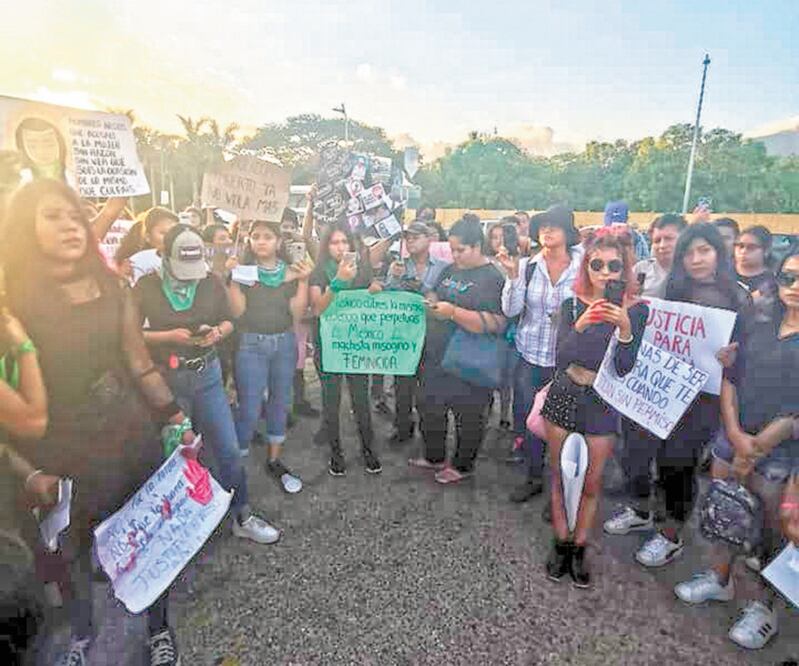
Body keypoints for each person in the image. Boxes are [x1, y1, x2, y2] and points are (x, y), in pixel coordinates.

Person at [1, 179, 198, 666]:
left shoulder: (113, 287)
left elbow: (140, 365)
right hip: (59, 451)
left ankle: (158, 632)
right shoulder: (11, 303)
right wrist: (27, 470)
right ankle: (82, 637)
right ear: (24, 227)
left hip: (128, 435)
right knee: (70, 553)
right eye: (53, 216)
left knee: (148, 539)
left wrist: (176, 418)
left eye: (74, 215)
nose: (70, 225)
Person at [673, 249, 799, 650]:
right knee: (724, 510)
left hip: (781, 454)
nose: (794, 288)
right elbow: (730, 374)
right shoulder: (758, 323)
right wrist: (734, 431)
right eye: (788, 278)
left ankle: (765, 609)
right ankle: (719, 578)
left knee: (770, 532)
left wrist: (759, 444)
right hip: (733, 437)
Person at [135, 224, 280, 545]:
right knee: (175, 454)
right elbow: (130, 336)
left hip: (208, 375)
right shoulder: (145, 286)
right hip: (168, 382)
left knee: (228, 449)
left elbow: (229, 319)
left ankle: (242, 514)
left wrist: (218, 333)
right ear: (165, 257)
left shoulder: (210, 281)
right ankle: (176, 528)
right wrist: (167, 337)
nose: (190, 276)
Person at [635, 223, 750, 568]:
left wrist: (735, 356)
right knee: (660, 457)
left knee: (680, 462)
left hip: (707, 401)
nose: (697, 259)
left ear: (719, 252)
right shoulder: (673, 291)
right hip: (668, 391)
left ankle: (671, 534)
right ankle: (657, 517)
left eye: (705, 251)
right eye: (689, 253)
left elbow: (751, 357)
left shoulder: (739, 298)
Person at [541, 228, 648, 587]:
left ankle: (580, 546)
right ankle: (561, 542)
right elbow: (559, 358)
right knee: (559, 473)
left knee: (591, 481)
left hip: (603, 401)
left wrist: (626, 331)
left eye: (613, 266)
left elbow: (625, 368)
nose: (605, 272)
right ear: (586, 267)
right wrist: (582, 326)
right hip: (565, 390)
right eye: (596, 264)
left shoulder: (638, 310)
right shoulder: (572, 305)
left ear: (624, 271)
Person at [604, 214, 688, 535]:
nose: (664, 245)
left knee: (674, 459)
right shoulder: (641, 272)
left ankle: (670, 529)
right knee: (634, 446)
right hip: (639, 372)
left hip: (676, 382)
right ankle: (639, 507)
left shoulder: (693, 279)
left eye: (670, 238)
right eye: (658, 239)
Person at [409, 217, 506, 484]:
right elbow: (435, 293)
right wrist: (431, 301)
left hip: (470, 358)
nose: (455, 255)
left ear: (477, 246)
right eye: (452, 250)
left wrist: (453, 313)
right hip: (436, 354)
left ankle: (463, 465)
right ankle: (434, 456)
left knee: (469, 414)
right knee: (429, 405)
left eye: (461, 250)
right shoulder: (451, 270)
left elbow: (497, 322)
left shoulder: (492, 277)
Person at [498, 205, 582, 502]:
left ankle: (562, 490)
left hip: (570, 363)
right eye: (543, 226)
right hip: (531, 356)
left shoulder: (585, 265)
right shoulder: (528, 266)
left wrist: (572, 317)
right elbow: (511, 310)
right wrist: (511, 277)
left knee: (569, 427)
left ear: (567, 233)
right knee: (532, 423)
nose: (547, 230)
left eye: (555, 226)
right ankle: (534, 477)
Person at [227, 220, 313, 493]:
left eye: (267, 236)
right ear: (249, 241)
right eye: (256, 236)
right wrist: (233, 280)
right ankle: (235, 466)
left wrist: (304, 281)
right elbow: (237, 312)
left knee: (280, 402)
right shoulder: (243, 272)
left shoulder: (290, 272)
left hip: (284, 343)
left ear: (278, 241)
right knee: (249, 408)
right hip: (251, 344)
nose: (261, 241)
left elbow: (297, 315)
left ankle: (274, 460)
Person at [309, 226, 381, 476]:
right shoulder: (318, 272)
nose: (340, 247)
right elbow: (318, 309)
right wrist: (338, 282)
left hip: (355, 346)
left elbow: (371, 300)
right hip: (328, 347)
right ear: (326, 246)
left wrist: (375, 291)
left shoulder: (362, 269)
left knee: (361, 400)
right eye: (334, 242)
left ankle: (368, 449)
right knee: (331, 402)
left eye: (344, 242)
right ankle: (336, 452)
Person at [383, 221, 449, 445]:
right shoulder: (398, 265)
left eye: (415, 237)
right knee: (402, 386)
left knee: (429, 387)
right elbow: (389, 299)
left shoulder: (443, 267)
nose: (410, 241)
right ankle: (402, 427)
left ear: (429, 238)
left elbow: (445, 298)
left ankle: (429, 430)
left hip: (432, 335)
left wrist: (428, 292)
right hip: (404, 335)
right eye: (407, 238)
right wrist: (392, 278)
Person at [633, 214, 687, 298]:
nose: (662, 245)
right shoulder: (641, 269)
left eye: (669, 239)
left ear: (684, 240)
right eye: (657, 241)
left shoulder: (694, 272)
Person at [120, 207, 179, 285]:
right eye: (163, 233)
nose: (170, 237)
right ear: (147, 237)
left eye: (174, 232)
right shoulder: (136, 262)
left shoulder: (190, 256)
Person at [735, 225, 778, 318]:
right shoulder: (722, 273)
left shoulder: (774, 281)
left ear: (766, 251)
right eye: (740, 246)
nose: (743, 251)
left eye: (751, 247)